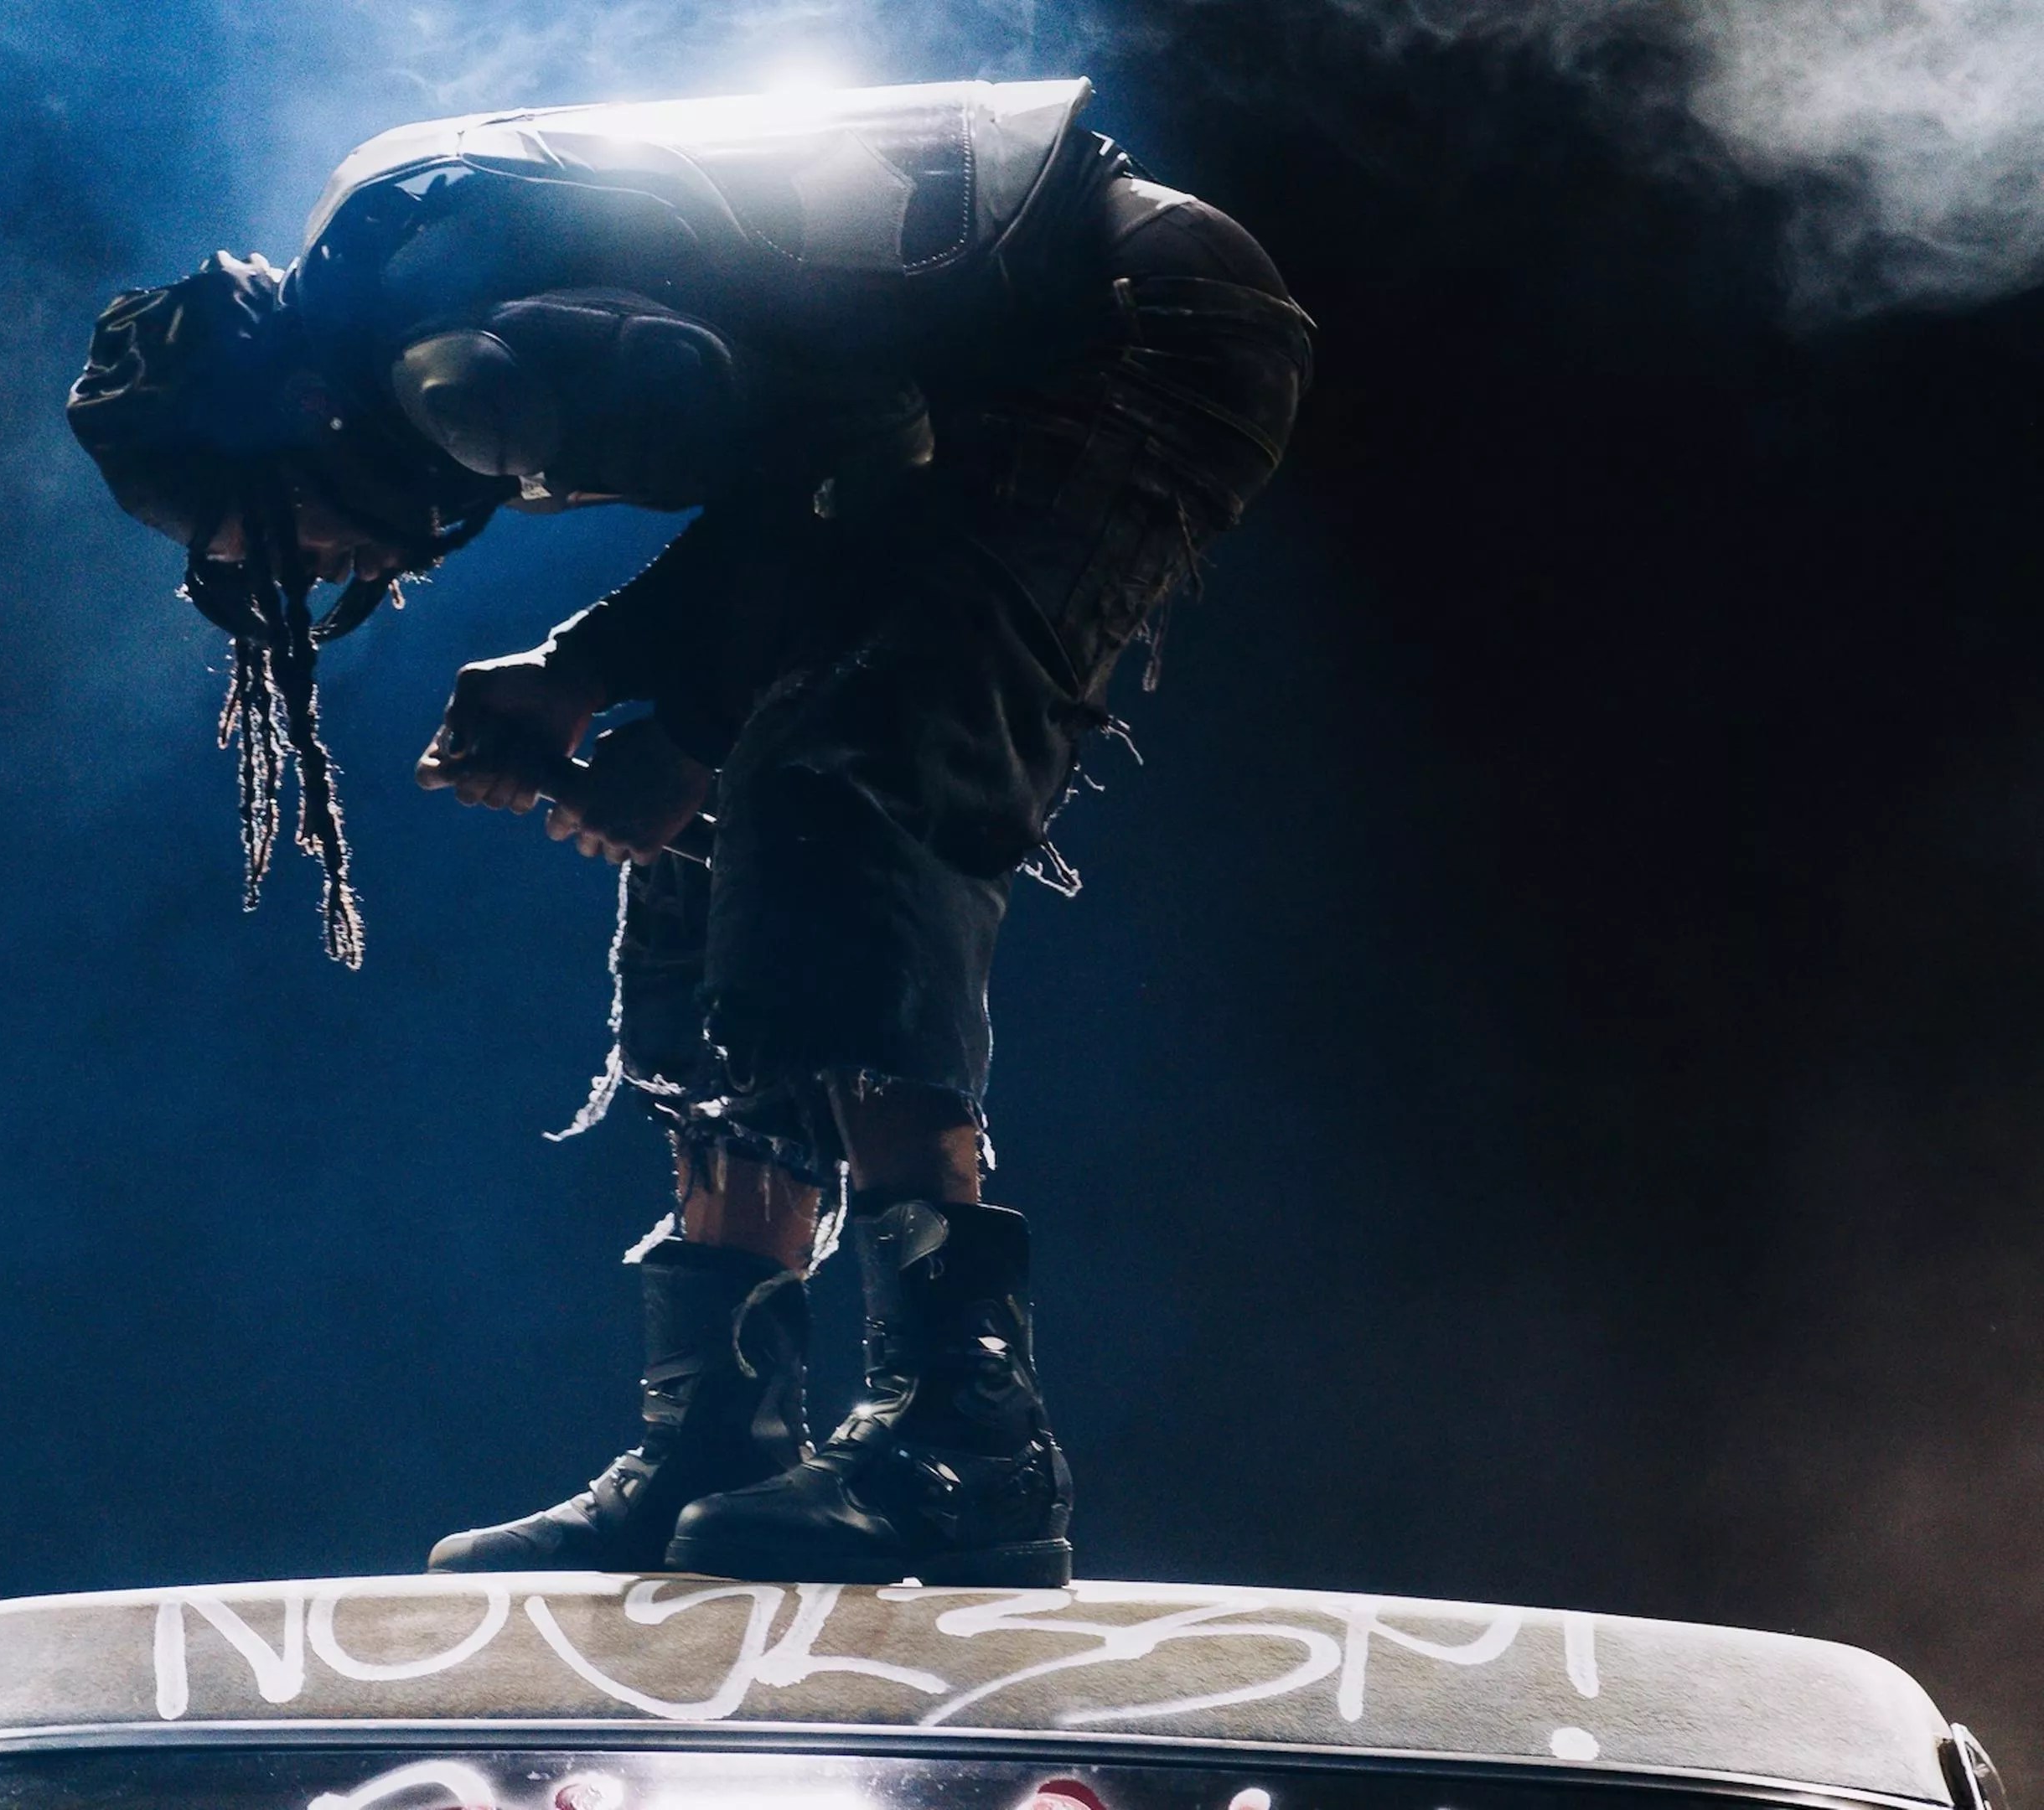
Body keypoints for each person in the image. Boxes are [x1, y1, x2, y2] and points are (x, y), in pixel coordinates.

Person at [65, 79, 1312, 1586]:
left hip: (1125, 327)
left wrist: (686, 731)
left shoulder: (461, 362)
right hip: (981, 378)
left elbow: (868, 457)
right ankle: (722, 1432)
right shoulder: (427, 294)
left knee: (839, 774)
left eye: (282, 534)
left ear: (301, 436)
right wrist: (592, 675)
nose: (323, 567)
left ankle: (969, 1438)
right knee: (726, 826)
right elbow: (821, 466)